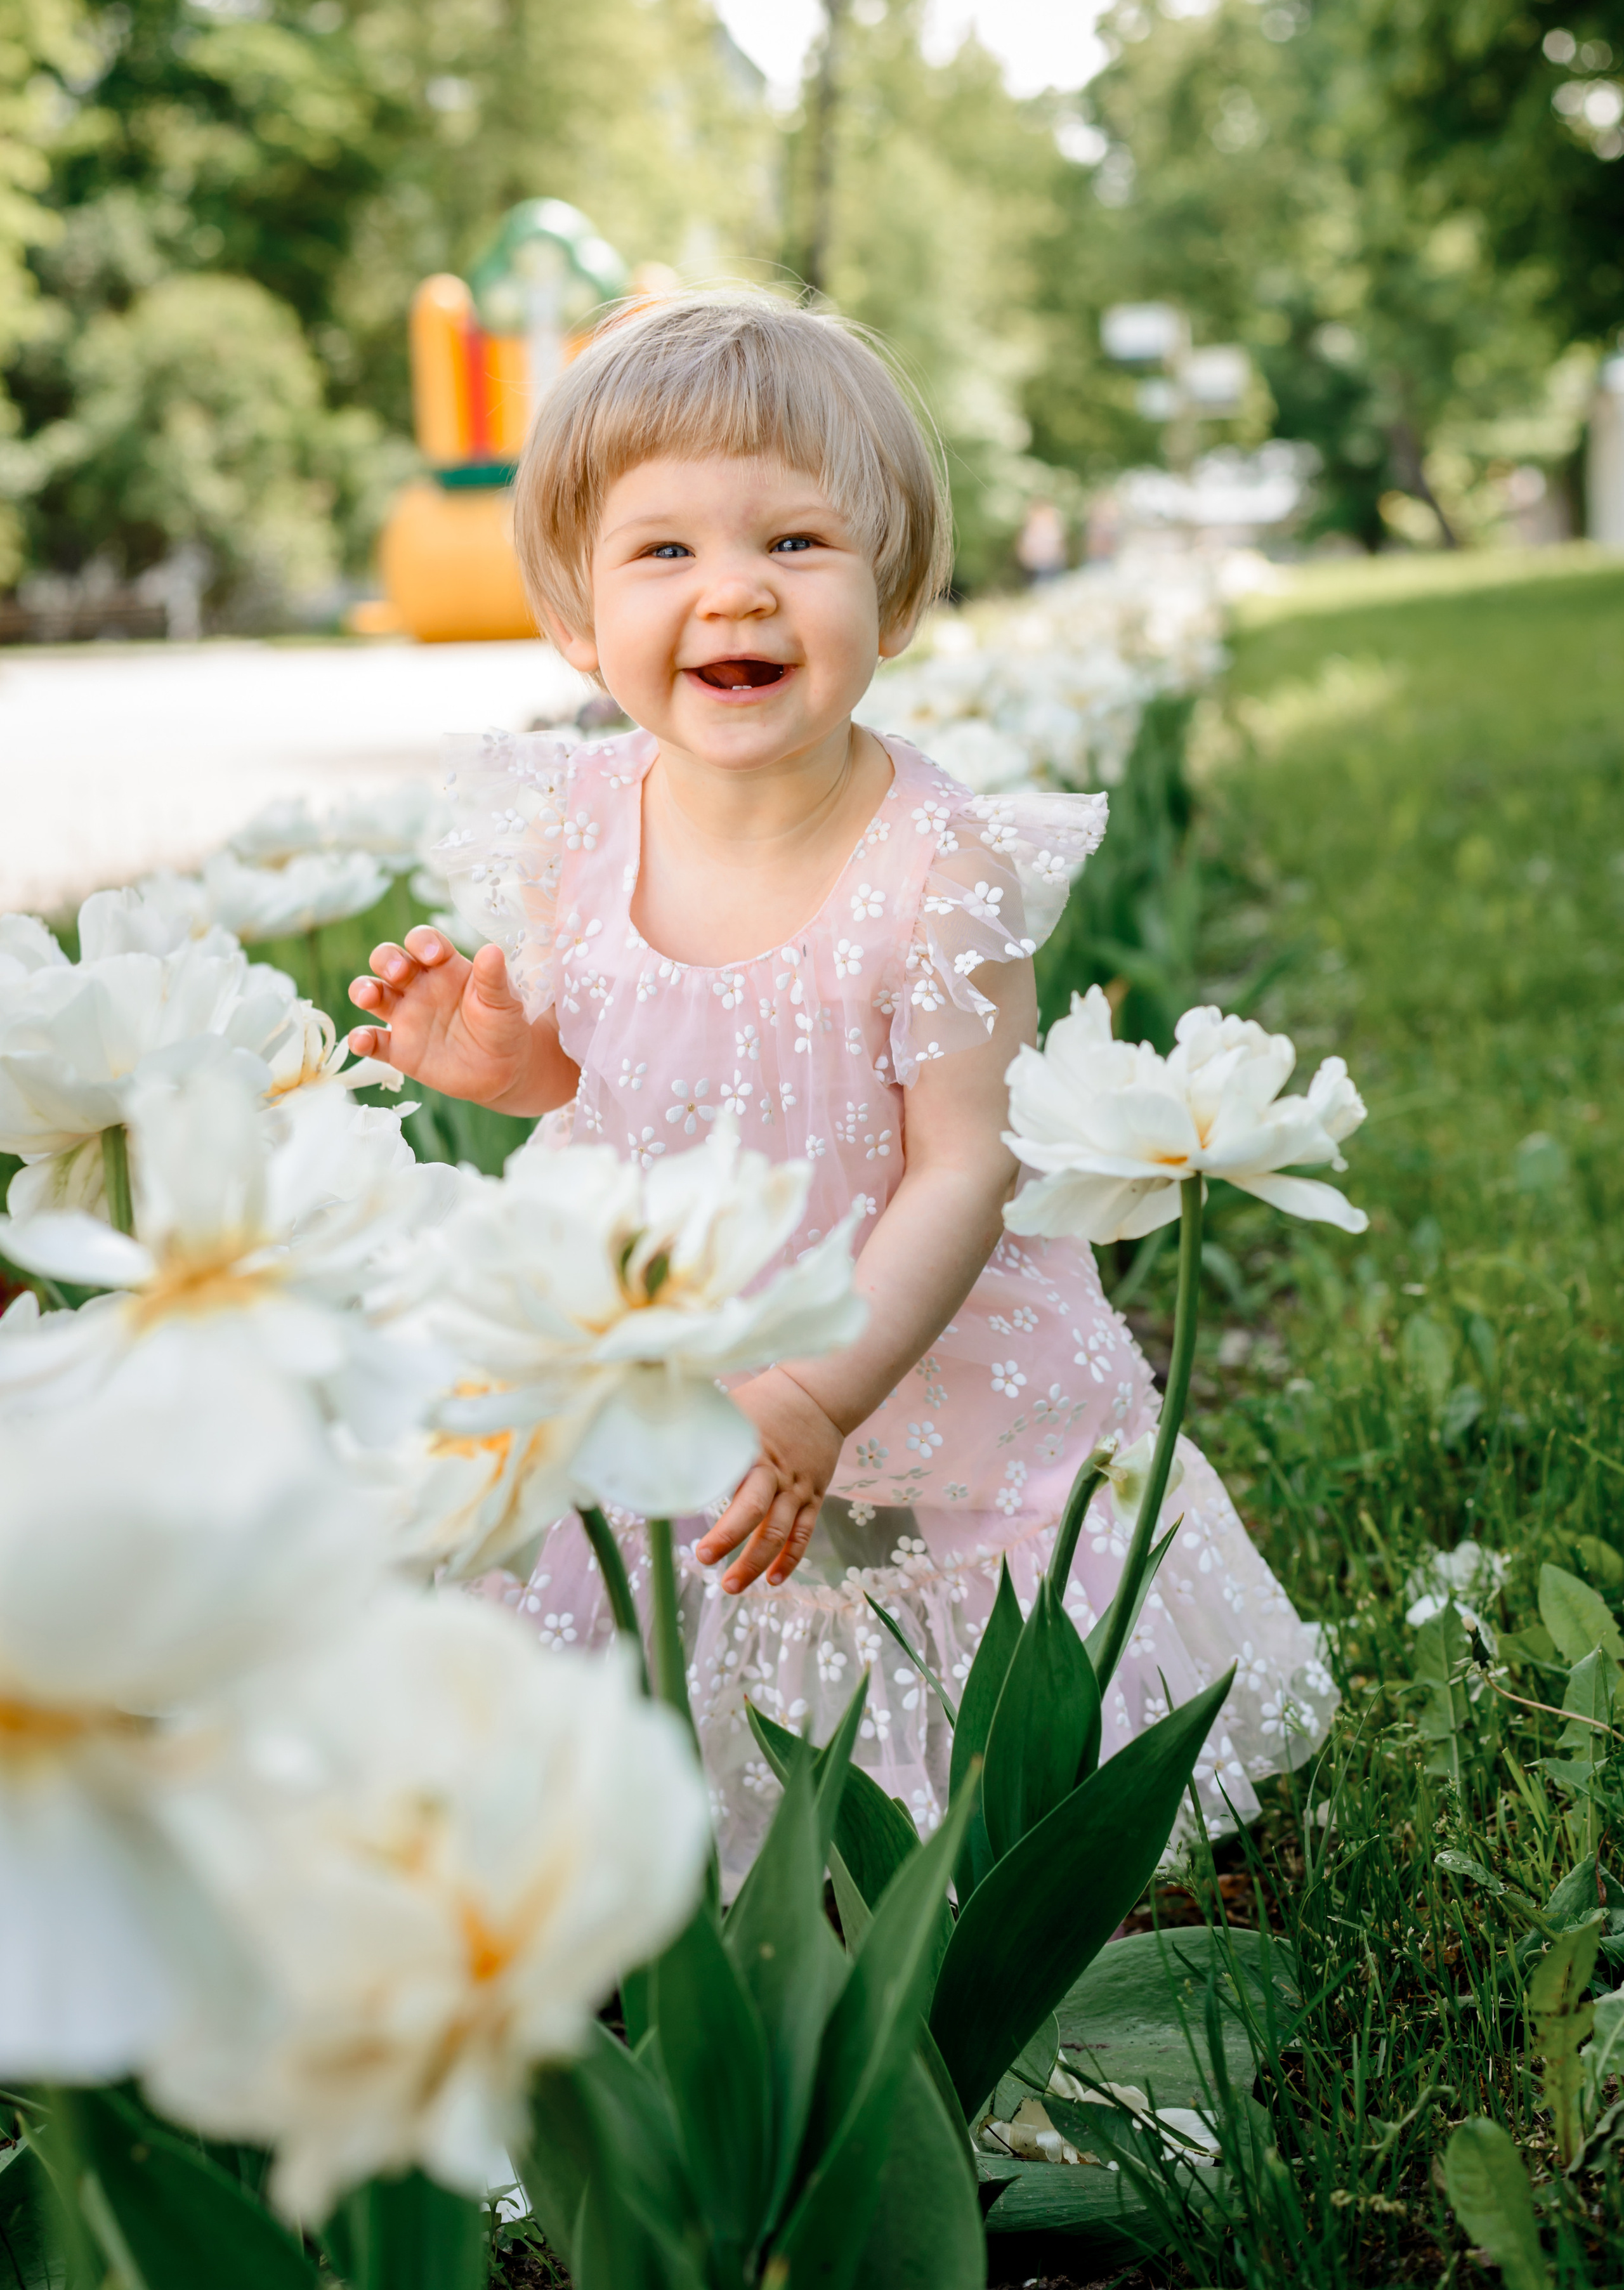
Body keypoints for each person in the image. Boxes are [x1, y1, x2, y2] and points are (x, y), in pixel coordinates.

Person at [347, 291, 1333, 1880]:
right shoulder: (573, 828)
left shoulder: (934, 866)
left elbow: (962, 1168)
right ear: (575, 620)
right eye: (662, 553)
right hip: (671, 1342)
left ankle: (958, 1892)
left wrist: (816, 1396)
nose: (732, 589)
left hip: (913, 1373)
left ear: (894, 588)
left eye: (794, 543)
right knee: (678, 1601)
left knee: (930, 1679)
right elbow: (592, 1076)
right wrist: (498, 1064)